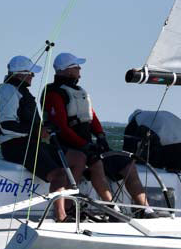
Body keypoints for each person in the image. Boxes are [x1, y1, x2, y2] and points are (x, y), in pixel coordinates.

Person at [43, 52, 158, 218]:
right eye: (77, 67)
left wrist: (101, 136)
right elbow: (62, 127)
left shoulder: (79, 91)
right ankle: (112, 209)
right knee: (95, 163)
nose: (80, 69)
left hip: (87, 145)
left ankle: (145, 209)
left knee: (128, 165)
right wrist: (84, 145)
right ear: (67, 70)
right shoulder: (54, 93)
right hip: (69, 146)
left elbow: (92, 116)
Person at [0, 55, 74, 222]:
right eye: (30, 73)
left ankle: (71, 207)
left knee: (75, 158)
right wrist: (37, 131)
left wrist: (44, 129)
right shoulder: (8, 90)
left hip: (31, 143)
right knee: (59, 175)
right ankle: (61, 217)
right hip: (17, 146)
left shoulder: (19, 90)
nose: (33, 76)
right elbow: (6, 125)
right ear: (20, 74)